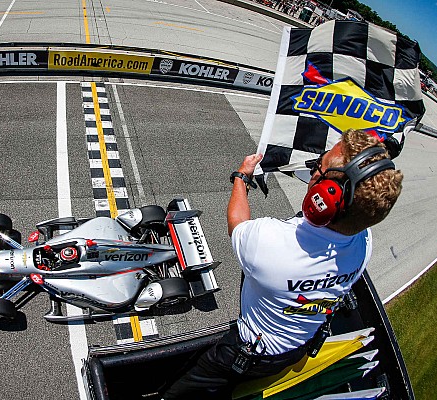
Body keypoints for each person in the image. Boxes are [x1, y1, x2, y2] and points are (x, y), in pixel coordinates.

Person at [162, 129, 403, 399]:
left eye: (319, 166)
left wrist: (241, 177)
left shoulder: (270, 244)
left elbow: (236, 223)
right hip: (297, 348)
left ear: (325, 198)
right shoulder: (363, 244)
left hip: (244, 352)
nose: (313, 170)